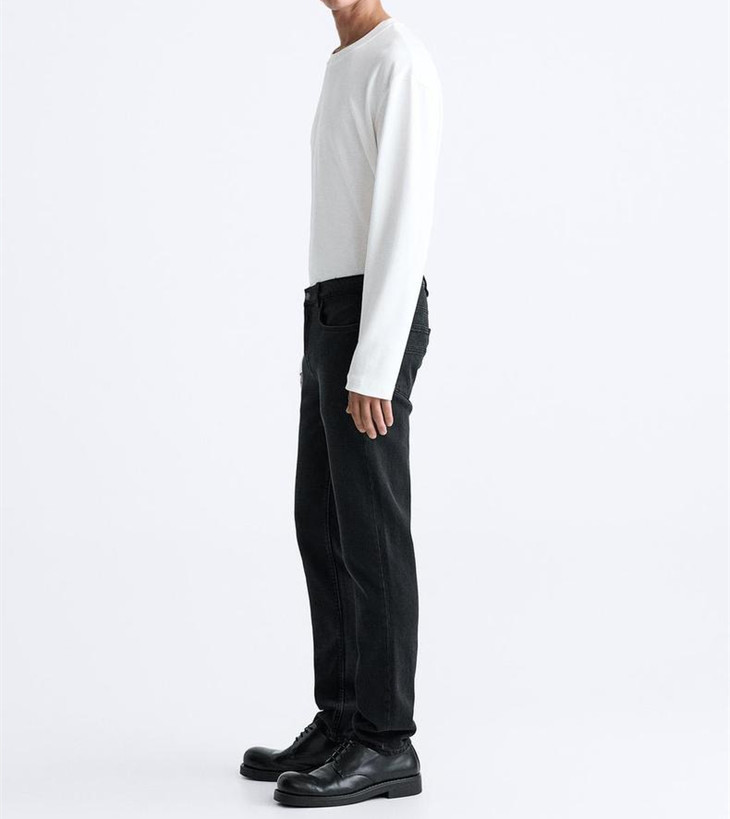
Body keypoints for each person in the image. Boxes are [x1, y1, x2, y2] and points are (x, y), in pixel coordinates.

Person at [241, 0, 443, 807]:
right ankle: (343, 718)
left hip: (369, 317)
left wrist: (377, 356)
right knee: (321, 525)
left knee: (371, 534)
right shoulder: (344, 63)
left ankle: (387, 741)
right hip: (328, 311)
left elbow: (404, 215)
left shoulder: (400, 61)